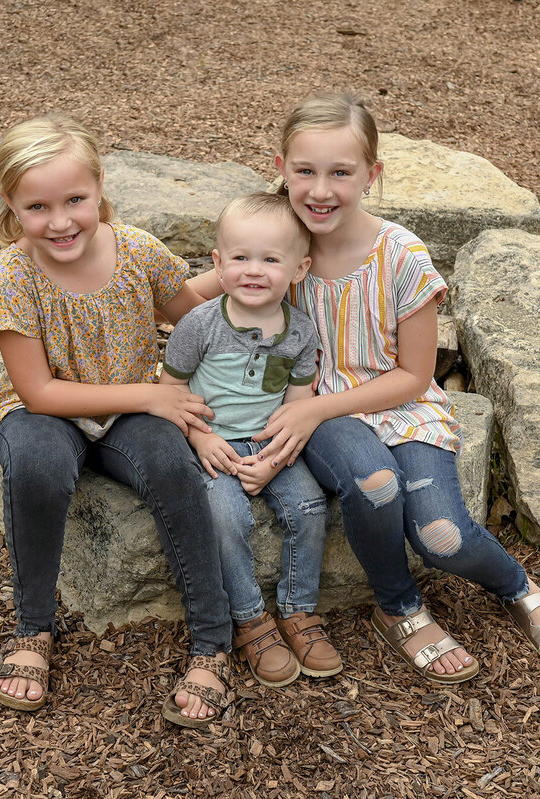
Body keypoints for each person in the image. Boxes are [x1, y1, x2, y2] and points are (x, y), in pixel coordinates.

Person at [253, 94, 540, 683]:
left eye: (340, 172)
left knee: (444, 537)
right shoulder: (281, 242)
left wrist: (315, 410)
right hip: (324, 414)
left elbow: (413, 375)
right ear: (281, 167)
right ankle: (398, 605)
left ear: (372, 175)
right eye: (305, 171)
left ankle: (515, 584)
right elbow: (203, 287)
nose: (320, 189)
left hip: (398, 404)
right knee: (375, 486)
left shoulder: (400, 254)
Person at [0, 113, 231, 727]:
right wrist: (151, 397)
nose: (60, 221)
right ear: (11, 205)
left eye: (75, 200)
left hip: (128, 413)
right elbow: (38, 391)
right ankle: (34, 628)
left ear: (99, 192)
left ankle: (212, 640)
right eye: (38, 206)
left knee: (174, 466)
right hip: (50, 411)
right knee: (36, 467)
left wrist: (244, 268)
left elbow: (190, 315)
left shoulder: (139, 251)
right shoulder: (11, 274)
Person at [160, 193, 342, 688]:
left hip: (270, 444)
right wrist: (198, 439)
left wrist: (276, 462)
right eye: (240, 258)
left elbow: (297, 407)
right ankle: (251, 620)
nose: (254, 270)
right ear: (218, 264)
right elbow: (170, 392)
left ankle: (299, 611)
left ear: (299, 269)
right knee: (223, 517)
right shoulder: (199, 325)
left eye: (270, 259)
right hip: (211, 443)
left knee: (308, 508)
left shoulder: (300, 333)